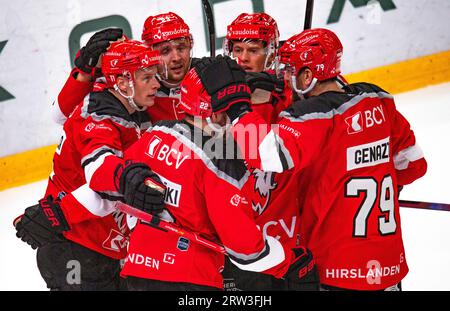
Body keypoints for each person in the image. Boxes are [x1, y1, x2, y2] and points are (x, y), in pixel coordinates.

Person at [208, 28, 428, 291]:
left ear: (309, 76)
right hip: (390, 265)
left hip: (337, 269)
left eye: (291, 71)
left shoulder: (314, 115)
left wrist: (237, 106)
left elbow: (266, 154)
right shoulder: (377, 100)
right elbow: (413, 165)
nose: (285, 78)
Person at [83, 56, 319, 291]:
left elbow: (105, 187)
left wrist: (62, 210)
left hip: (136, 275)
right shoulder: (220, 163)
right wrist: (290, 262)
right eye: (233, 114)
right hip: (192, 282)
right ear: (216, 114)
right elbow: (246, 251)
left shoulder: (154, 135)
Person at [14, 40, 166, 290]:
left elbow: (60, 112)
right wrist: (128, 179)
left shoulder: (124, 103)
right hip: (74, 249)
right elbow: (100, 174)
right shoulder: (101, 119)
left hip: (101, 246)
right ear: (124, 81)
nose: (156, 84)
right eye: (147, 77)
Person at [221, 12, 303, 291]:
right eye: (237, 50)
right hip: (242, 238)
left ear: (271, 54)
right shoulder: (215, 95)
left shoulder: (291, 96)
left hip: (289, 230)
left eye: (253, 50)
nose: (242, 58)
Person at [52, 12, 195, 126]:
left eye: (182, 48)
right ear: (149, 51)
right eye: (165, 51)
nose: (176, 57)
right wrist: (85, 73)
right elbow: (60, 117)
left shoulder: (203, 75)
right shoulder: (128, 82)